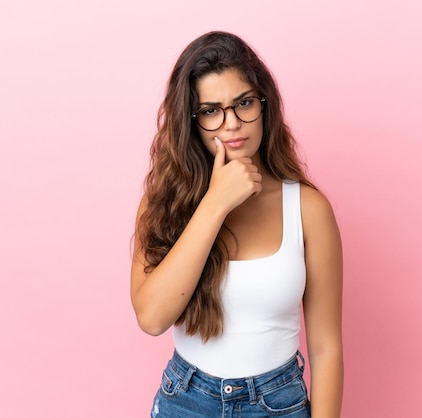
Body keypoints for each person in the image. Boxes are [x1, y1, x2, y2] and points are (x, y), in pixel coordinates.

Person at [131, 31, 343, 417]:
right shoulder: (163, 204)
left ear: (265, 106)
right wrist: (215, 204)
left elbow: (326, 350)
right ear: (192, 122)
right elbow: (152, 317)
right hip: (186, 401)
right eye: (211, 110)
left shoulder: (308, 209)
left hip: (277, 403)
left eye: (243, 103)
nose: (231, 124)